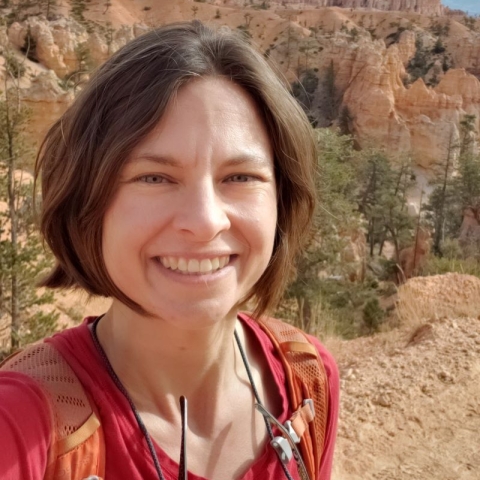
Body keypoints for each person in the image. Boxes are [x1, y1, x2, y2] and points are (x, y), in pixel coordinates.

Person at [0, 21, 339, 480]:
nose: (204, 222)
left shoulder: (307, 380)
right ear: (88, 201)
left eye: (240, 177)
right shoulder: (23, 425)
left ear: (282, 197)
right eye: (154, 178)